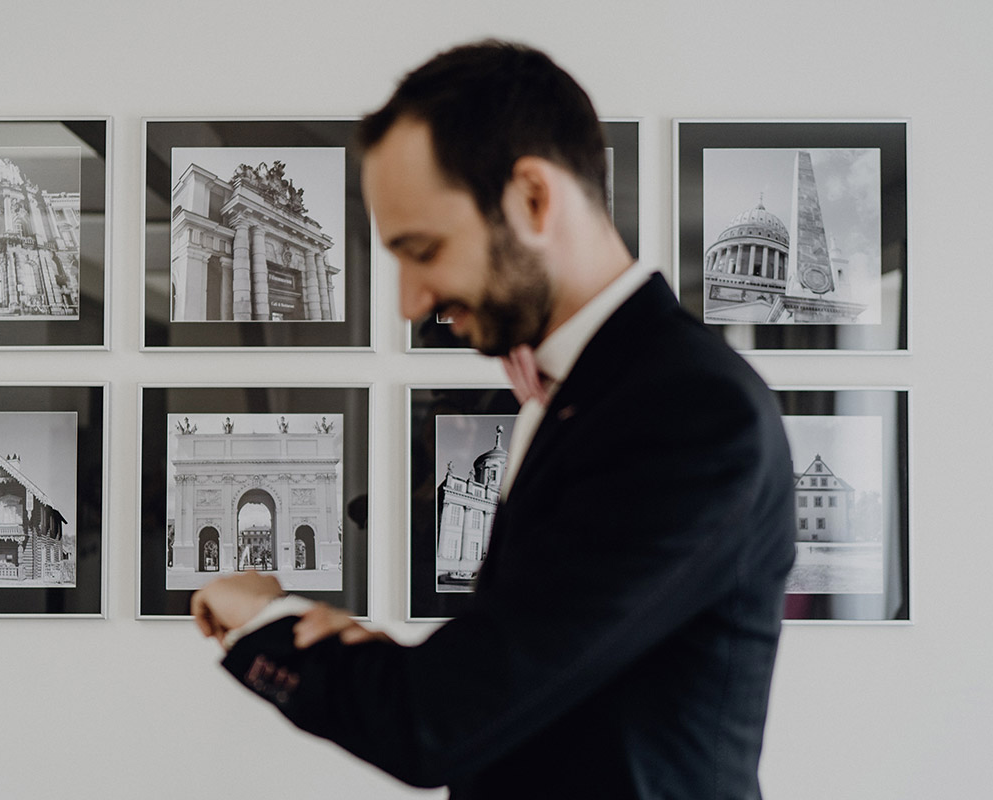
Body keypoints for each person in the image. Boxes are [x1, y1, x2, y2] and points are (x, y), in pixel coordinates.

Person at [192, 40, 796, 799]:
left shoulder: (687, 410)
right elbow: (529, 671)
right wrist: (411, 667)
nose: (412, 301)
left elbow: (435, 725)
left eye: (424, 250)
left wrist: (262, 621)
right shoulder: (596, 390)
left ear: (533, 200)